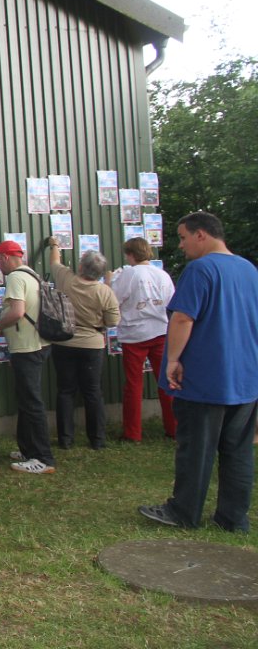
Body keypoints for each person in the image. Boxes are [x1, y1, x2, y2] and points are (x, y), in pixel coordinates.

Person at [139, 212, 258, 532]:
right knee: (238, 450)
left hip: (206, 377)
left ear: (201, 234)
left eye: (182, 237)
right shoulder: (249, 269)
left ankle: (183, 511)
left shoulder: (201, 269)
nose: (181, 245)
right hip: (246, 378)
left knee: (196, 448)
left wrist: (173, 360)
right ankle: (233, 518)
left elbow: (182, 318)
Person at [46, 239, 120, 450]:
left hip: (65, 343)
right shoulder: (105, 291)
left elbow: (54, 263)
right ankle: (97, 439)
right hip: (92, 345)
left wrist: (54, 246)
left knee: (65, 390)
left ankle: (65, 439)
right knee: (93, 391)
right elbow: (113, 321)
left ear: (80, 267)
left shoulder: (66, 280)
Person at [0, 240, 56, 474]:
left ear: (6, 258)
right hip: (39, 344)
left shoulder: (16, 278)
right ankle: (28, 449)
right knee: (27, 400)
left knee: (32, 403)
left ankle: (43, 458)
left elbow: (18, 312)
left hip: (27, 347)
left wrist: (0, 325)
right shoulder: (32, 275)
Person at [107, 237, 176, 441]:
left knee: (133, 384)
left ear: (130, 254)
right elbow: (172, 302)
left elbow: (113, 299)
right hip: (160, 330)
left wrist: (110, 280)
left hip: (134, 333)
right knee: (165, 382)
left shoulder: (130, 273)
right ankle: (174, 427)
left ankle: (133, 432)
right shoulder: (162, 275)